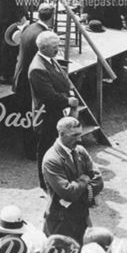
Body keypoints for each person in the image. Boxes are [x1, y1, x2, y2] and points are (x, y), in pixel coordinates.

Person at [41, 117, 103, 243]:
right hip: (61, 222)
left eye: (80, 134)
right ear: (61, 134)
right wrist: (85, 180)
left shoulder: (80, 151)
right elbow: (68, 193)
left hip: (82, 218)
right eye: (74, 135)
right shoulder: (52, 159)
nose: (79, 139)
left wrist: (79, 188)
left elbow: (99, 180)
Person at [29, 31, 79, 187]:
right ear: (43, 47)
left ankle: (58, 179)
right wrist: (68, 101)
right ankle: (45, 183)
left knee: (59, 148)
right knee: (46, 150)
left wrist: (70, 91)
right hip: (46, 116)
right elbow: (48, 96)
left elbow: (64, 78)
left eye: (58, 45)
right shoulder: (37, 68)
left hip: (58, 112)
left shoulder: (50, 59)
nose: (58, 49)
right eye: (54, 46)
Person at [11, 3, 55, 158]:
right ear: (52, 18)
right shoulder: (43, 36)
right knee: (33, 116)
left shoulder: (29, 28)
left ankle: (28, 148)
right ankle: (31, 152)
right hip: (30, 81)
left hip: (19, 76)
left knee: (25, 116)